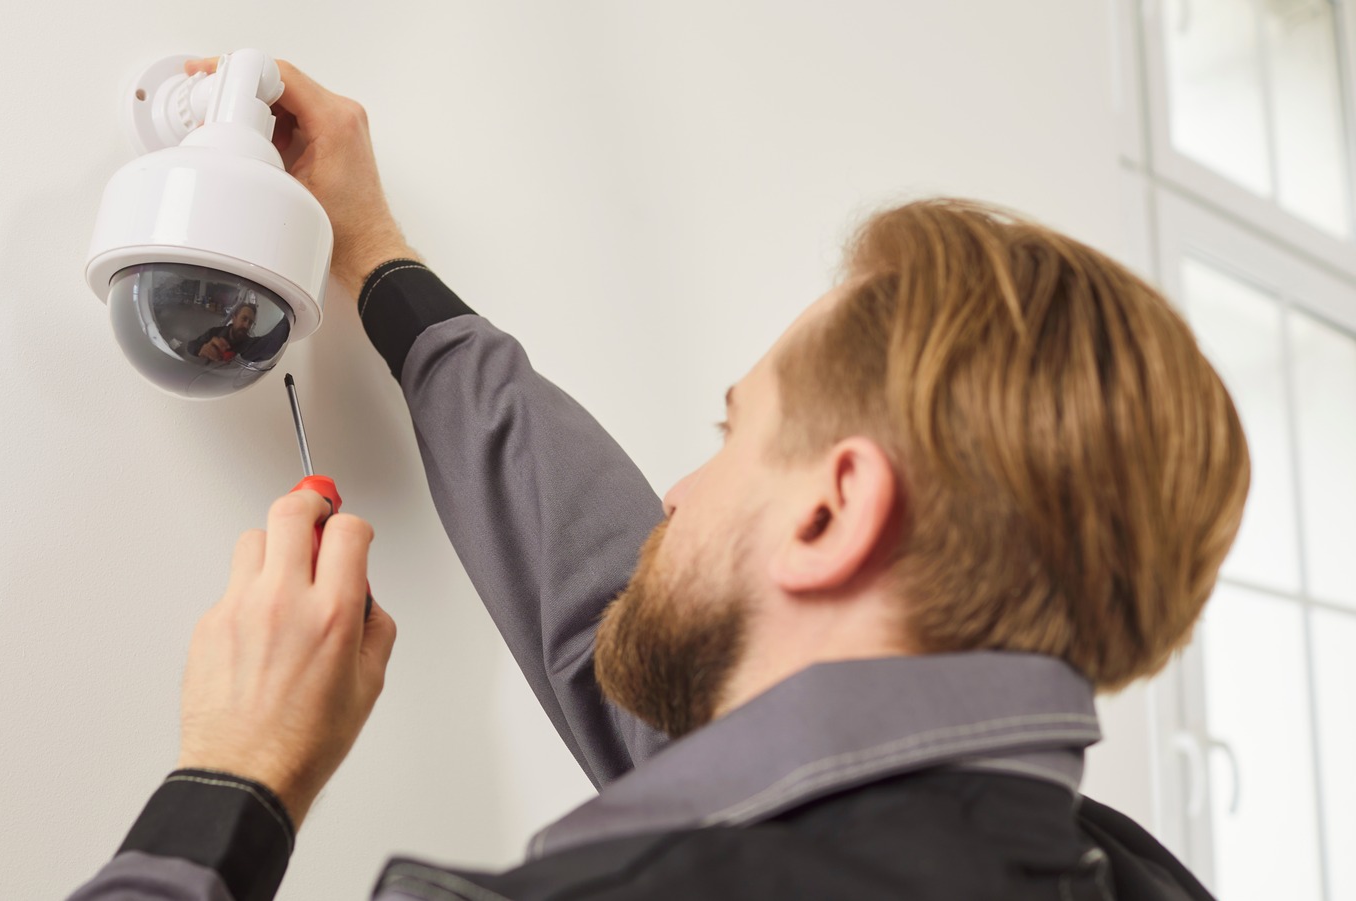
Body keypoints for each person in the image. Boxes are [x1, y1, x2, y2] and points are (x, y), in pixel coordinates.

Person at [68, 54, 1247, 901]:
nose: (674, 493)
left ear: (832, 510)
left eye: (734, 433)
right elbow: (620, 630)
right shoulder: (1119, 868)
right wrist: (377, 257)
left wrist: (234, 774)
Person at [188, 301, 259, 362]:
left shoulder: (249, 344)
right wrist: (201, 349)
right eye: (244, 319)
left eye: (250, 322)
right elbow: (191, 345)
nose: (246, 326)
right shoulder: (214, 332)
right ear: (234, 318)